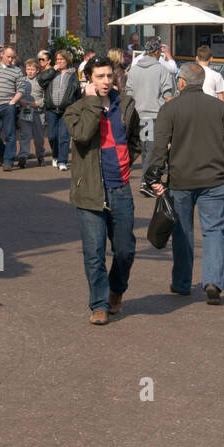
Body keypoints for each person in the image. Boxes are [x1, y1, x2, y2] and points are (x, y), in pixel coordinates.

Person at [147, 61, 224, 304]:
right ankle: (213, 282)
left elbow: (160, 145)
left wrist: (154, 174)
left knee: (182, 232)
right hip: (213, 177)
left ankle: (181, 282)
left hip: (181, 178)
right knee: (214, 232)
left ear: (181, 82)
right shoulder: (220, 108)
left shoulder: (171, 109)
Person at [64, 56, 142, 325]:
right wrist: (92, 103)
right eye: (100, 77)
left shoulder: (127, 105)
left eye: (109, 76)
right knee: (94, 252)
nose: (106, 81)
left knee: (125, 250)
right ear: (89, 79)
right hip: (90, 191)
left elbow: (134, 140)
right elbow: (84, 135)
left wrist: (124, 163)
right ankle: (99, 304)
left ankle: (116, 290)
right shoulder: (75, 109)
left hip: (120, 188)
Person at [125, 37, 175, 188]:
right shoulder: (161, 69)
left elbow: (129, 92)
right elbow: (168, 95)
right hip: (156, 115)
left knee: (145, 147)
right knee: (152, 149)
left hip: (138, 114)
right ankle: (147, 181)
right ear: (157, 52)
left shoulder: (134, 70)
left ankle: (146, 180)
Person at [38, 49, 81, 170]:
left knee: (64, 136)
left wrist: (76, 109)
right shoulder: (52, 73)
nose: (59, 61)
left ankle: (62, 161)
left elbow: (77, 92)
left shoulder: (72, 75)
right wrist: (52, 70)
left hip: (66, 110)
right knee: (52, 136)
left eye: (62, 59)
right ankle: (56, 155)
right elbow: (41, 80)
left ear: (67, 61)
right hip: (52, 109)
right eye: (57, 59)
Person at [17, 59, 46, 167]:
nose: (30, 71)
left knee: (39, 138)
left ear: (37, 70)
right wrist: (20, 101)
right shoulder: (22, 81)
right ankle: (23, 157)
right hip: (26, 110)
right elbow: (16, 94)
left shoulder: (41, 81)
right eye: (28, 69)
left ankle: (40, 156)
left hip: (38, 112)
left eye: (32, 69)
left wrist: (38, 103)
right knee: (25, 135)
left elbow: (47, 96)